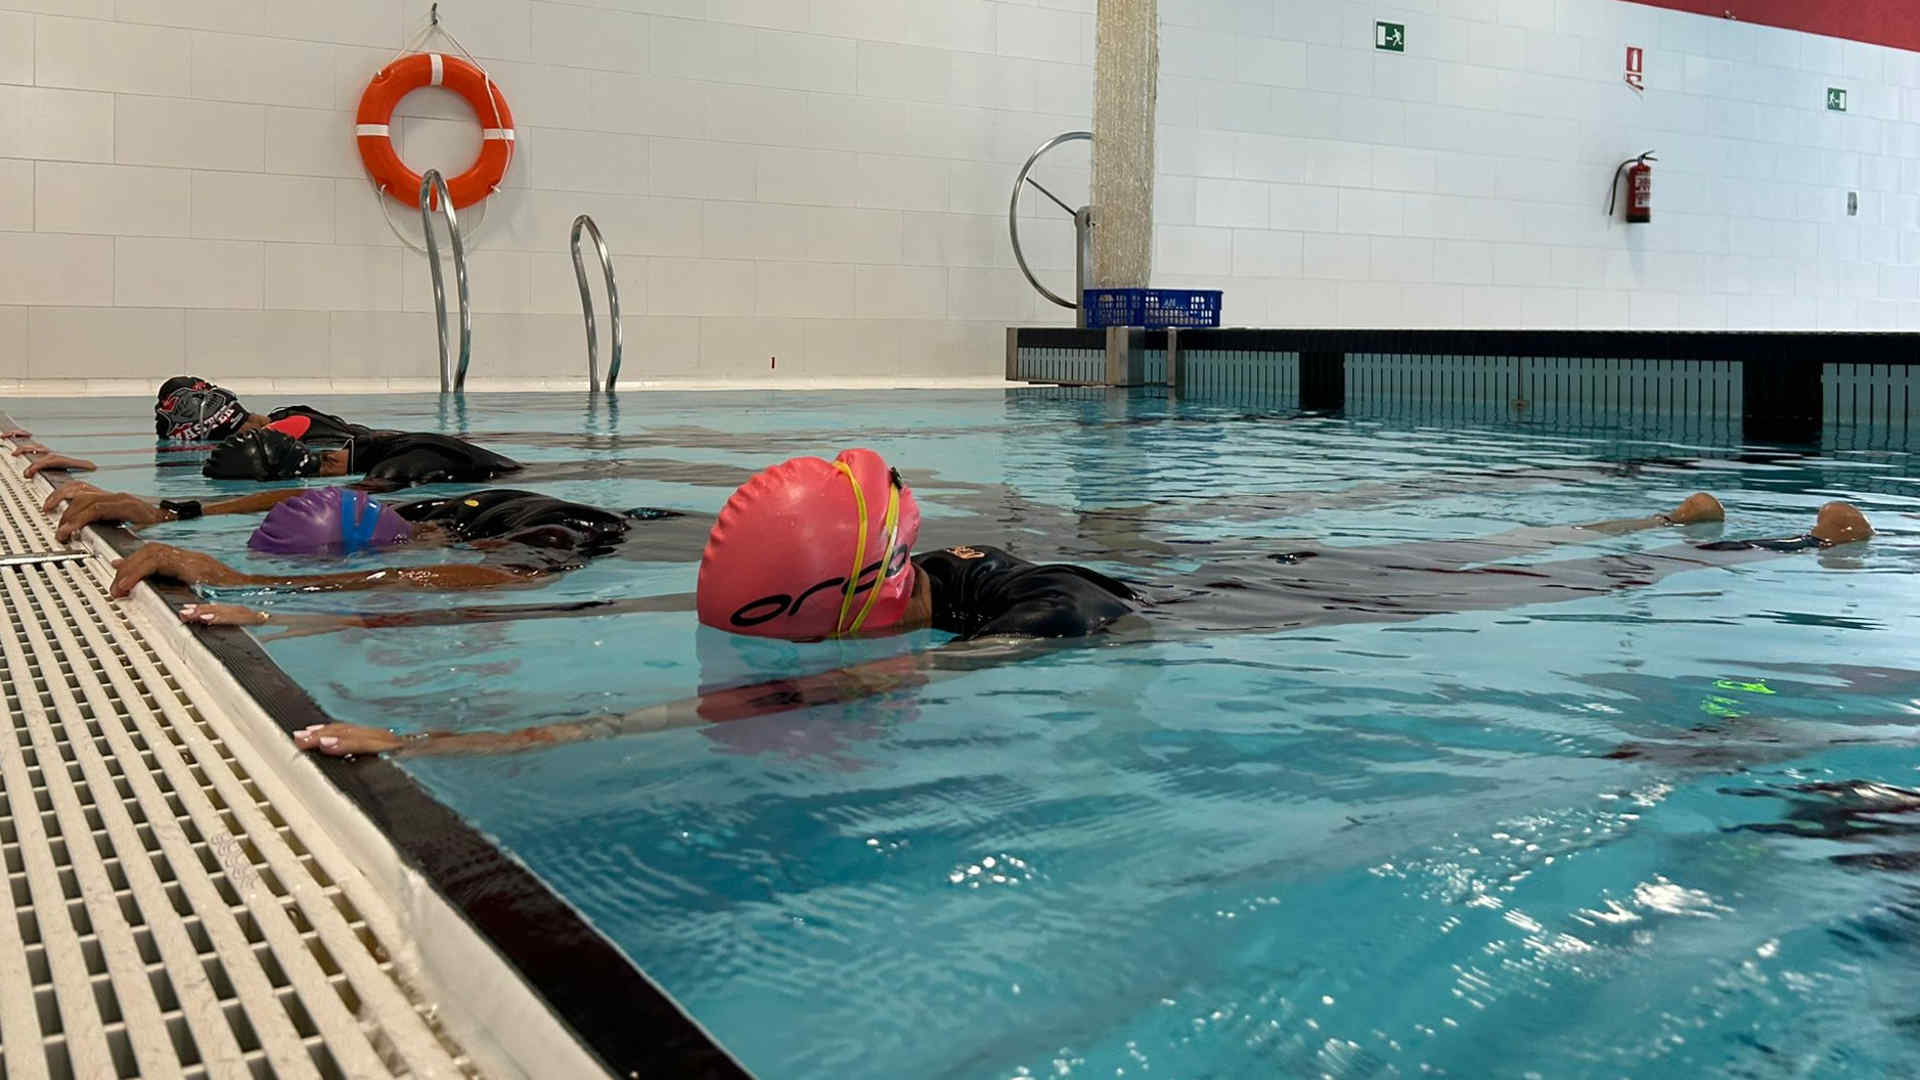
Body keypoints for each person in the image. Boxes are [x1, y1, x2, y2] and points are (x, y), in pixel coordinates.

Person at [273, 449, 1875, 757]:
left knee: (1521, 572)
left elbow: (820, 695)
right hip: (1195, 583)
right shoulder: (914, 588)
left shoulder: (1002, 626)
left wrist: (507, 740)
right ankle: (1692, 521)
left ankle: (1744, 545)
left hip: (1263, 613)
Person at [104, 486, 677, 597]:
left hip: (670, 540)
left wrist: (250, 585)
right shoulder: (426, 520)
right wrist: (172, 510)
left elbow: (504, 580)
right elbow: (310, 492)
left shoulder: (547, 537)